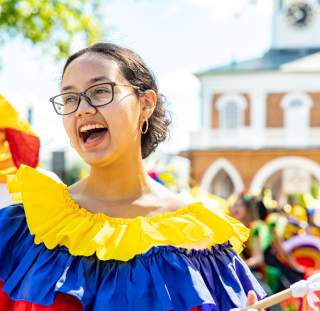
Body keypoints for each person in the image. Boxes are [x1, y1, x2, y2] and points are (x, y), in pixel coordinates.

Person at [0, 43, 265, 310]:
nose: (81, 109)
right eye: (69, 98)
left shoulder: (202, 241)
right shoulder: (26, 228)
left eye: (100, 91)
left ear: (146, 103)